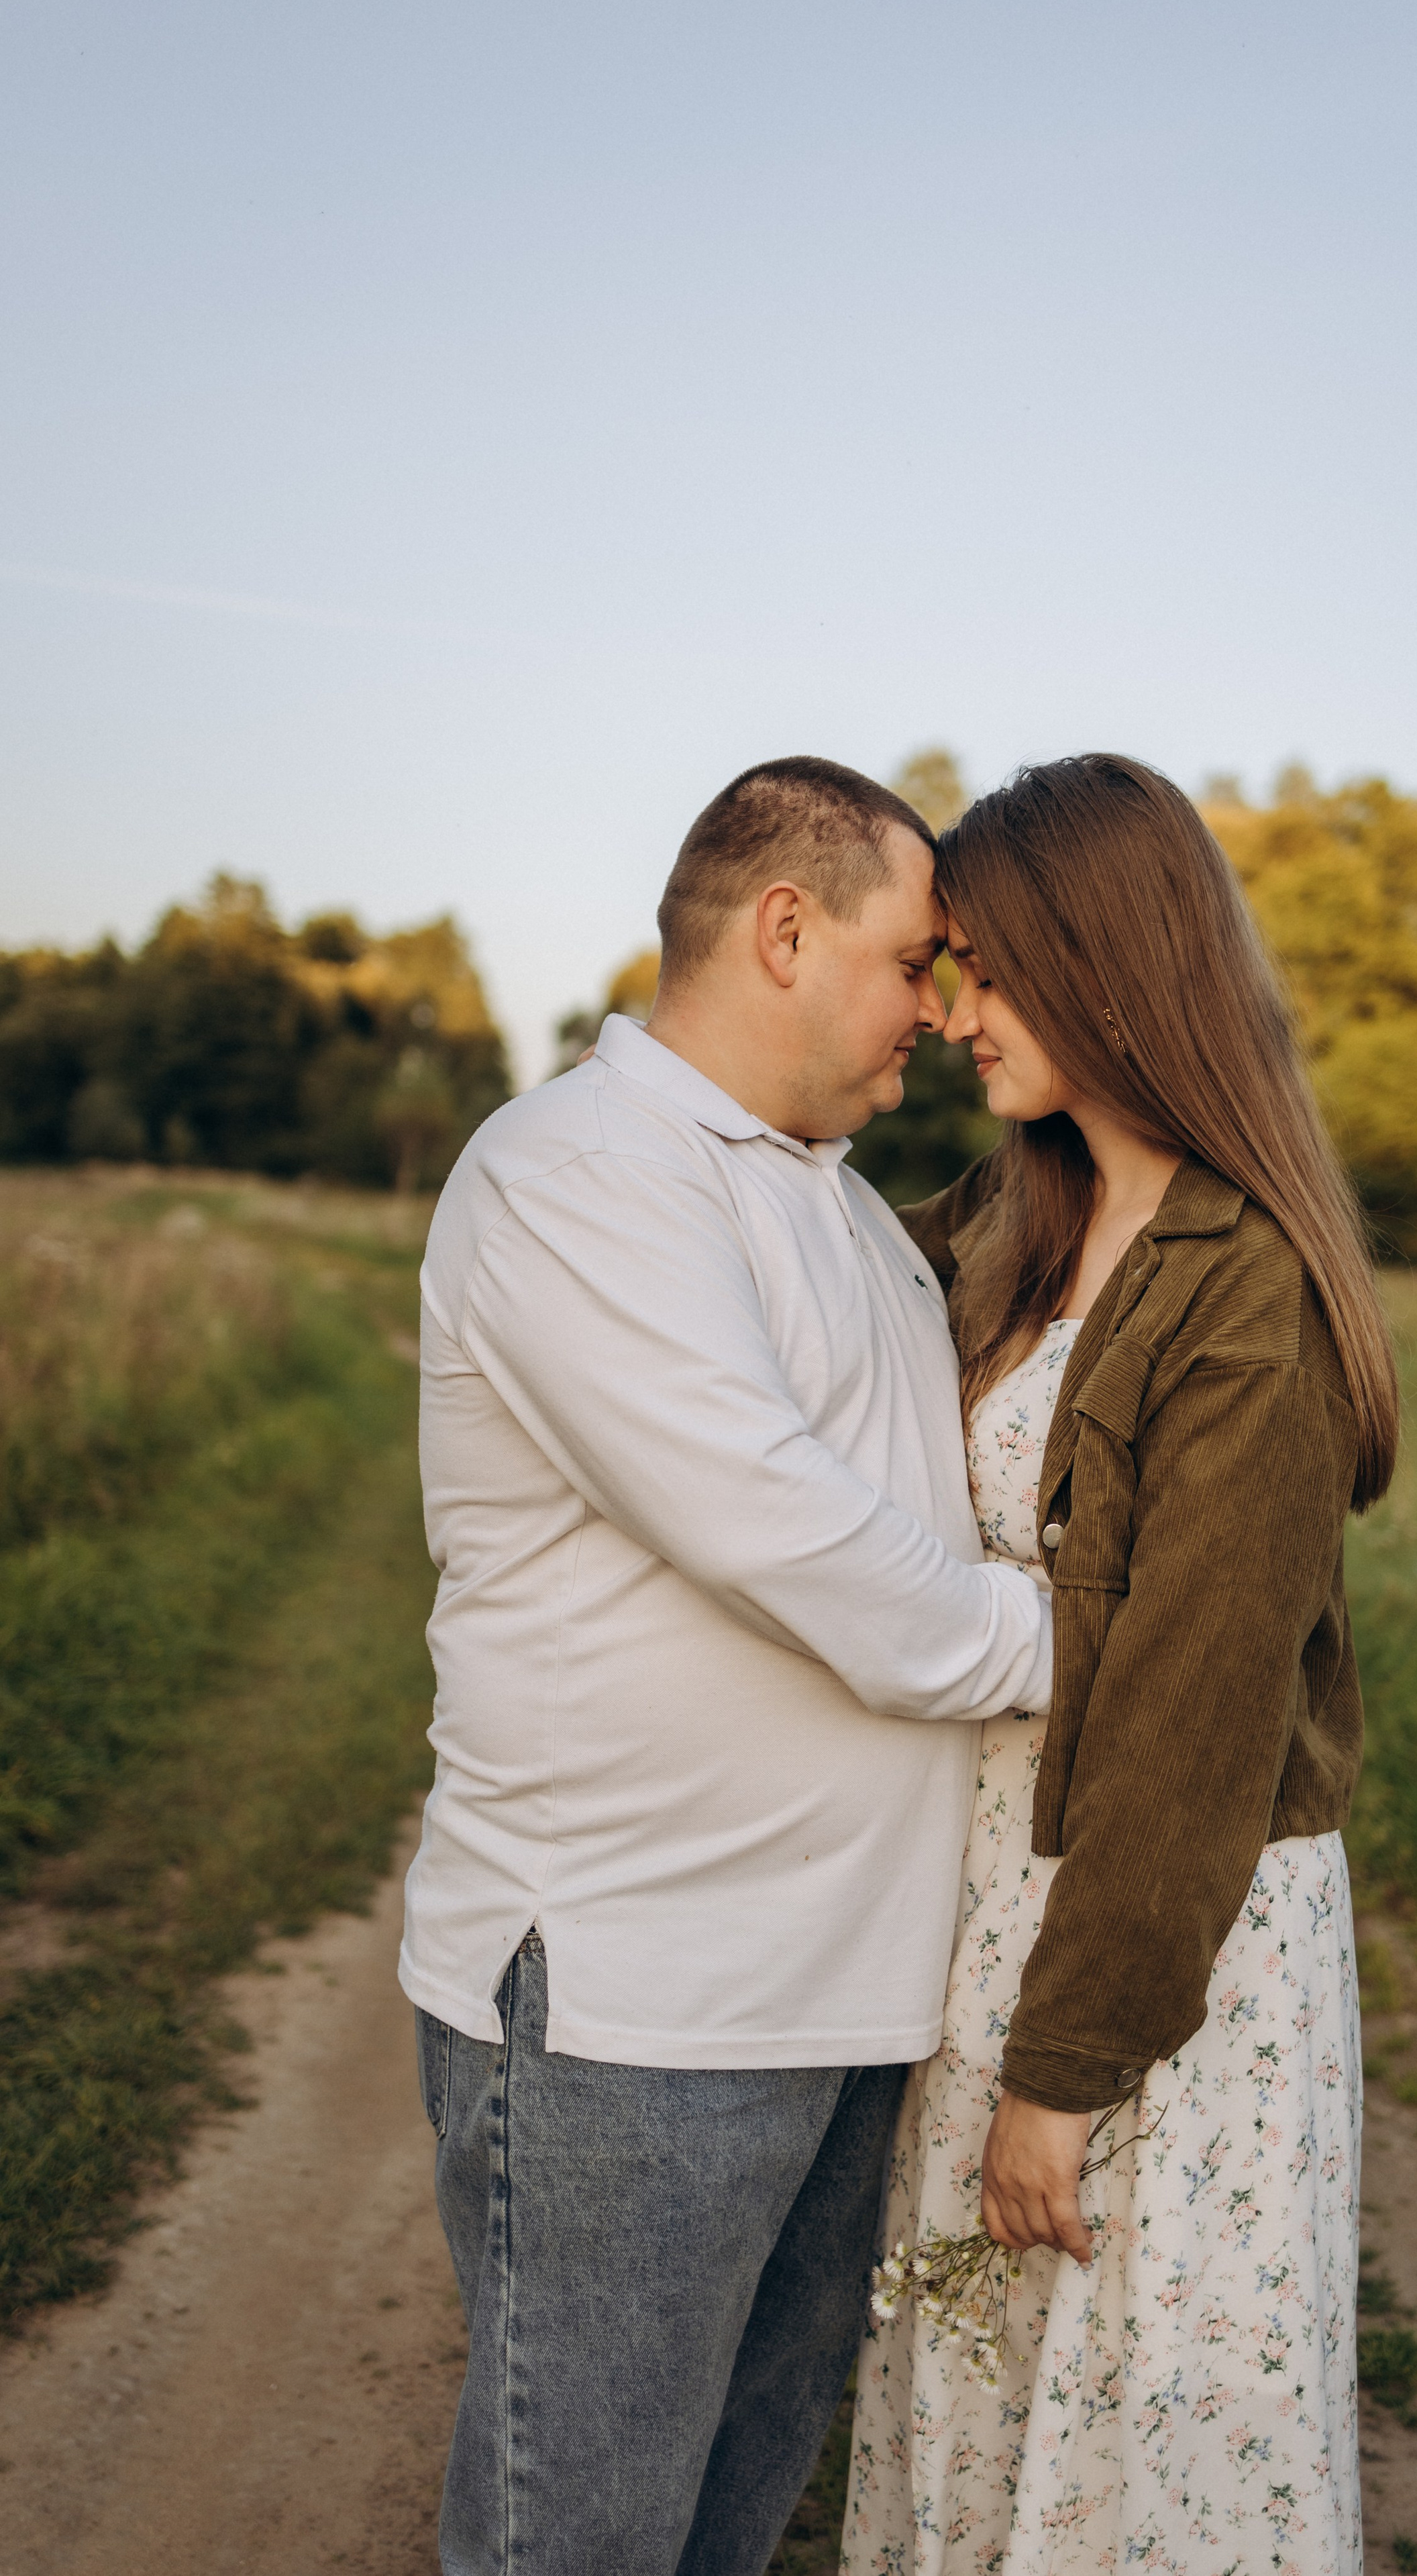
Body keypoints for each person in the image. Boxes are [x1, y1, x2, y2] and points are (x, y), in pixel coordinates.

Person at [400, 756, 1055, 2576]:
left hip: (839, 2003)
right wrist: (1066, 1650)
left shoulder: (844, 1208)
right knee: (584, 2544)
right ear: (786, 927)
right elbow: (782, 1528)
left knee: (726, 2533)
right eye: (916, 959)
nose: (935, 1008)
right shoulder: (575, 1172)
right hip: (635, 2007)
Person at [843, 754, 1398, 2575]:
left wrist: (1059, 2071)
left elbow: (1191, 1725)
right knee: (994, 2385)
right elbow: (812, 1286)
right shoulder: (1018, 1216)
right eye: (946, 967)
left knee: (1144, 2421)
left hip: (1174, 1941)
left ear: (1110, 966)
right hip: (1001, 1887)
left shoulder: (1255, 1286)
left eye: (990, 969)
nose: (951, 1008)